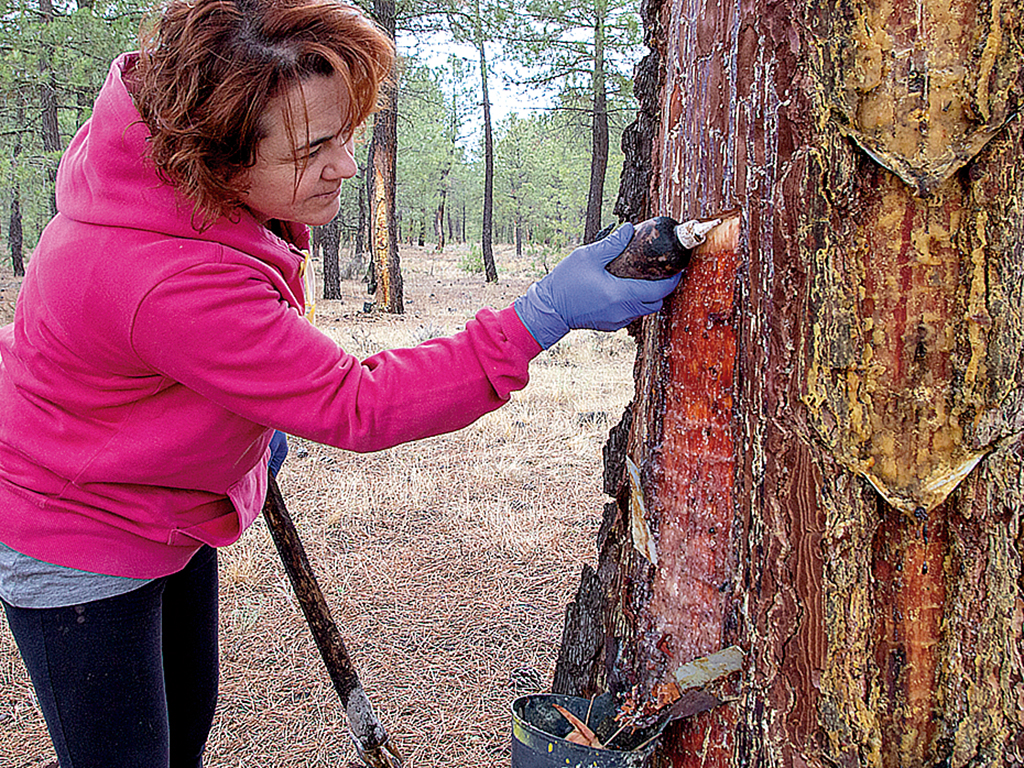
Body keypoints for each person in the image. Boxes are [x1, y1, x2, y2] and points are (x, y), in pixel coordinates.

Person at [0, 0, 681, 765]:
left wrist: (240, 442)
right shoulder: (163, 277)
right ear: (219, 157)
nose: (348, 165)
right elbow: (360, 402)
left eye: (345, 132)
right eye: (312, 149)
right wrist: (540, 315)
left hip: (161, 501)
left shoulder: (169, 171)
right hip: (77, 530)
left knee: (181, 732)